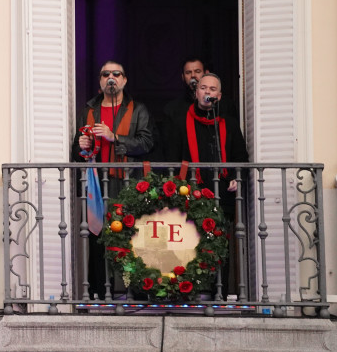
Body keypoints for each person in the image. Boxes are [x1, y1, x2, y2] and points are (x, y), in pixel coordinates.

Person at [71, 60, 155, 299]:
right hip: (96, 183)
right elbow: (76, 151)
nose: (111, 77)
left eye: (116, 73)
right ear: (100, 81)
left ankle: (135, 292)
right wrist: (82, 146)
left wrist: (114, 137)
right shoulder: (88, 111)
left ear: (124, 80)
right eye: (106, 74)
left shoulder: (137, 109)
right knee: (99, 239)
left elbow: (147, 143)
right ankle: (99, 293)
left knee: (129, 239)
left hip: (127, 182)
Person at [163, 73, 248, 295]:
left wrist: (236, 178)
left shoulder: (228, 123)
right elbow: (171, 158)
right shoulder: (180, 120)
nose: (207, 92)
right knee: (190, 246)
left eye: (212, 89)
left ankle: (218, 293)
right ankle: (191, 292)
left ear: (218, 96)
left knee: (219, 246)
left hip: (223, 195)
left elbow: (241, 157)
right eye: (203, 88)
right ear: (196, 92)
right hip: (191, 193)